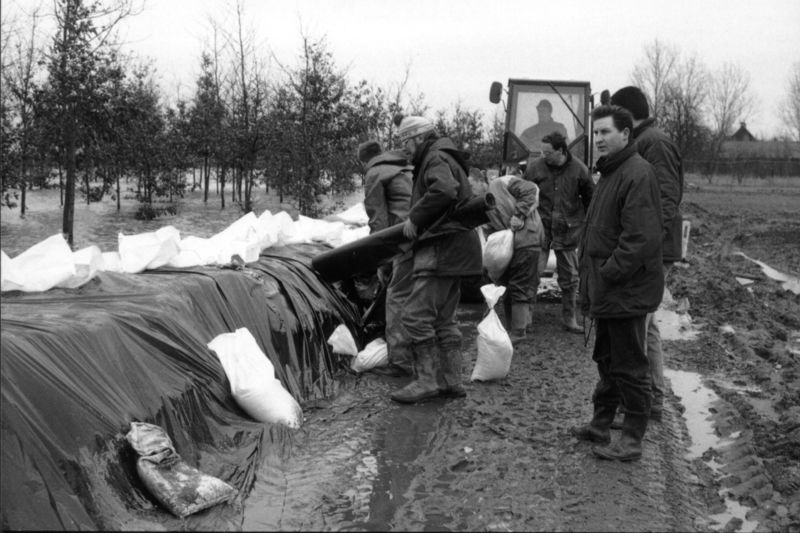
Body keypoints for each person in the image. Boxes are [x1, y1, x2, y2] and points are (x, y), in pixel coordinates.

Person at [572, 104, 664, 462]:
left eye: (606, 132)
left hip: (625, 290)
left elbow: (640, 239)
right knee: (607, 359)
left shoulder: (637, 173)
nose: (599, 139)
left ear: (625, 134)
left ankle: (631, 439)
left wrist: (607, 273)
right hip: (607, 289)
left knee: (629, 366)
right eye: (596, 133)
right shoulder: (610, 173)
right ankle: (600, 424)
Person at [390, 115, 483, 404]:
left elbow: (444, 189)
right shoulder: (445, 154)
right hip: (457, 248)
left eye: (406, 143)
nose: (405, 150)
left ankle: (427, 381)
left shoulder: (434, 157)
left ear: (418, 138)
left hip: (441, 249)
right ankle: (451, 380)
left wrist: (415, 217)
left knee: (415, 316)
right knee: (444, 318)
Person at [611, 86, 684, 422]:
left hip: (652, 247)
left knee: (638, 325)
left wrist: (645, 243)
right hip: (651, 244)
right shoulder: (645, 141)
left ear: (627, 114)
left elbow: (667, 197)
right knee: (645, 323)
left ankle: (640, 402)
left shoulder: (654, 143)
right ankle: (650, 397)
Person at [523, 132, 594, 334]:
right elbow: (522, 193)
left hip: (568, 231)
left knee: (570, 278)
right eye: (542, 152)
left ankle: (570, 318)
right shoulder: (534, 168)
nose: (543, 155)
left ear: (561, 151)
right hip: (541, 229)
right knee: (531, 274)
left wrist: (588, 226)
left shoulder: (580, 170)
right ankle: (525, 318)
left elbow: (591, 200)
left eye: (548, 152)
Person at [358, 139, 414, 377]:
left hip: (404, 238)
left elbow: (378, 222)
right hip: (423, 232)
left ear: (364, 161)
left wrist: (380, 260)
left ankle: (400, 362)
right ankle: (419, 354)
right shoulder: (404, 167)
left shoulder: (374, 173)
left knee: (396, 297)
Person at [483, 175, 543, 343]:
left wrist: (519, 215)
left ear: (480, 180)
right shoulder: (481, 203)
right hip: (510, 245)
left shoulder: (501, 182)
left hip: (527, 239)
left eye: (471, 184)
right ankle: (515, 328)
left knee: (519, 284)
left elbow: (531, 189)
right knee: (508, 284)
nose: (470, 190)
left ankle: (518, 331)